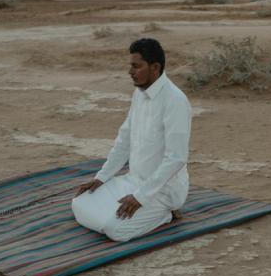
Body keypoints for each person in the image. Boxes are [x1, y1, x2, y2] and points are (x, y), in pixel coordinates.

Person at [71, 38, 192, 242]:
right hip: (132, 181)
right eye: (130, 65)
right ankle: (135, 210)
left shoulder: (175, 101)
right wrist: (102, 177)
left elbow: (176, 158)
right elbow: (124, 141)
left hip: (162, 191)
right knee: (79, 201)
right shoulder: (139, 94)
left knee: (114, 229)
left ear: (155, 67)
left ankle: (166, 214)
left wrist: (141, 197)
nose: (130, 71)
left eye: (136, 66)